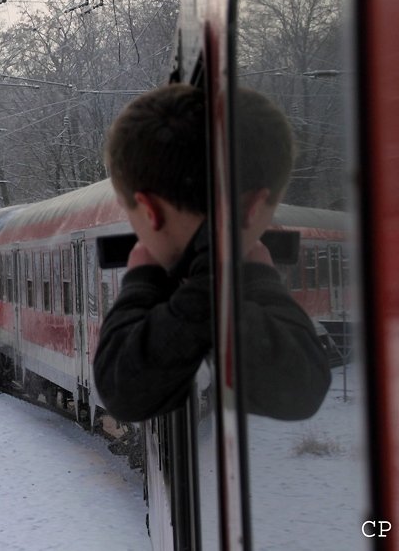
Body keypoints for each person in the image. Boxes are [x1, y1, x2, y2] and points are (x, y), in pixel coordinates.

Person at [93, 83, 331, 422]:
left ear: (148, 210)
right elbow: (302, 383)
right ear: (256, 207)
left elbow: (122, 387)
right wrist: (261, 278)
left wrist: (141, 282)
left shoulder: (207, 283)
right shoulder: (220, 282)